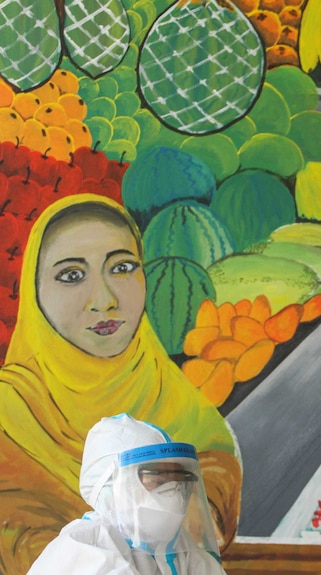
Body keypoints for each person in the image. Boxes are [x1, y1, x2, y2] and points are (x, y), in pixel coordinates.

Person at [0, 194, 241, 574]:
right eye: (71, 275)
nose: (105, 300)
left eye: (123, 267)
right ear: (35, 290)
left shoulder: (168, 389)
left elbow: (215, 468)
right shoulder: (8, 415)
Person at [28, 413, 227, 574]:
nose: (173, 494)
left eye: (178, 482)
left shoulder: (178, 548)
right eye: (157, 481)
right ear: (110, 488)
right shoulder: (84, 550)